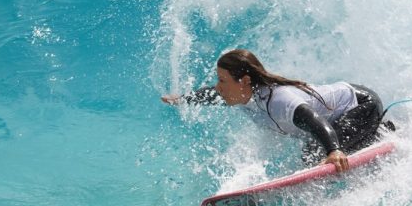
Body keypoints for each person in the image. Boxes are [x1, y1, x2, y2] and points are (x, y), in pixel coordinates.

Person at [161, 49, 394, 172]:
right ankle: (376, 132)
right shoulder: (244, 96)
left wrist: (334, 150)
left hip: (361, 105)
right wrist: (182, 99)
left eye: (222, 80)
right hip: (345, 109)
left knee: (316, 151)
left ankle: (380, 130)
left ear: (242, 81)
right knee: (312, 151)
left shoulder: (278, 100)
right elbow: (210, 95)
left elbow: (311, 119)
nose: (218, 87)